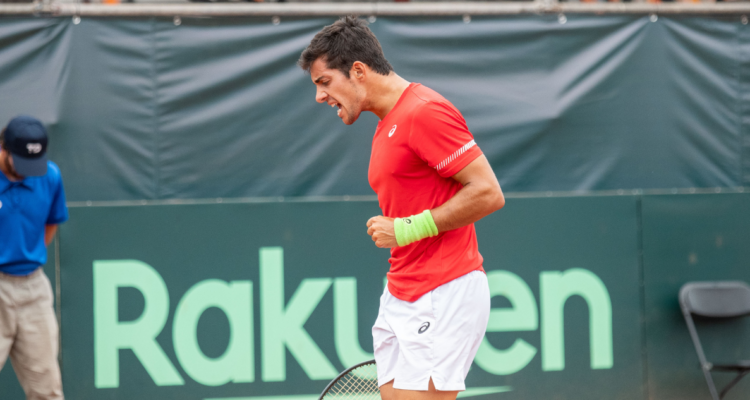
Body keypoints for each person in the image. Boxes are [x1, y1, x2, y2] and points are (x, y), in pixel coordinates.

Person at [299, 17, 505, 400]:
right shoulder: (386, 124)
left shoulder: (424, 112)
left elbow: (488, 192)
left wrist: (407, 228)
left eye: (324, 82)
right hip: (401, 292)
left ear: (357, 70)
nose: (319, 97)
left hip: (445, 289)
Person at [0, 115, 68, 400]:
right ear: (4, 149)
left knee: (47, 391)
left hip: (34, 290)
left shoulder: (49, 176)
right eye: (21, 163)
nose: (29, 172)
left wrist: (27, 253)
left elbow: (51, 223)